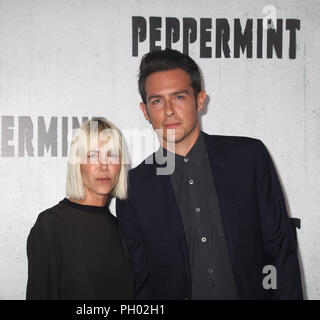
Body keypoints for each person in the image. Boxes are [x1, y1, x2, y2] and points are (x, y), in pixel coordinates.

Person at [116, 49, 303, 300]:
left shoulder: (248, 158)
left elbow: (280, 250)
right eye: (157, 101)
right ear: (145, 110)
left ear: (200, 100)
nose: (169, 111)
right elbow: (141, 279)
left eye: (179, 97)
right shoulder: (134, 187)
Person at [26, 118, 134, 299]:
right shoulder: (51, 225)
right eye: (93, 155)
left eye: (112, 155)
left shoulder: (123, 229)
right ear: (77, 162)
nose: (103, 166)